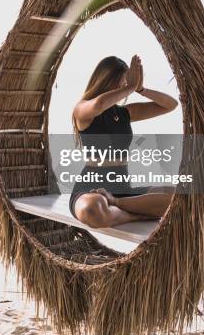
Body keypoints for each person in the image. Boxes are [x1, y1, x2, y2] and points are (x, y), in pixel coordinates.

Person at [70, 54, 178, 229]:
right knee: (92, 209)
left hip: (122, 189)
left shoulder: (123, 113)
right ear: (104, 82)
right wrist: (130, 87)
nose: (122, 88)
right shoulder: (82, 109)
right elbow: (98, 105)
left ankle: (117, 204)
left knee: (175, 195)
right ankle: (135, 215)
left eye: (124, 84)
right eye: (119, 84)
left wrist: (141, 89)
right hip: (90, 188)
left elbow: (170, 105)